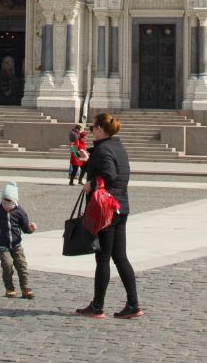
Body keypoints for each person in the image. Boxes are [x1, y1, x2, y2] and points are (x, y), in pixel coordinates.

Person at [77, 111, 140, 320]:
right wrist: (88, 162)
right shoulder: (117, 147)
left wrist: (91, 184)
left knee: (103, 258)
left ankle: (97, 306)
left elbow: (109, 175)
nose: (90, 130)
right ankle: (133, 304)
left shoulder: (103, 151)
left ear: (102, 130)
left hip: (107, 211)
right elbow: (116, 172)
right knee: (120, 257)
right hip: (121, 207)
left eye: (93, 127)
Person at [0, 181, 36, 299]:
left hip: (16, 244)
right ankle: (9, 288)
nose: (6, 205)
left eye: (9, 202)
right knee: (7, 265)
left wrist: (31, 228)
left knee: (22, 266)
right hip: (2, 244)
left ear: (15, 201)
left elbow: (25, 228)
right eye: (4, 202)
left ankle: (25, 288)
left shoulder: (20, 212)